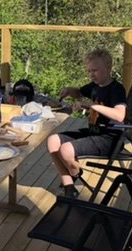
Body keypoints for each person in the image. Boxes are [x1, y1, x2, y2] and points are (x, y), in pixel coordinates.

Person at [47, 49, 127, 198]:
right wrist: (71, 91)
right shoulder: (95, 86)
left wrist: (93, 106)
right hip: (94, 132)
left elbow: (119, 114)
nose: (91, 74)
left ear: (108, 68)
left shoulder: (117, 89)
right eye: (89, 71)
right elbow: (80, 93)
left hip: (109, 138)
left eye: (95, 70)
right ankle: (69, 187)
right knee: (52, 141)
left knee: (65, 150)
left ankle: (75, 173)